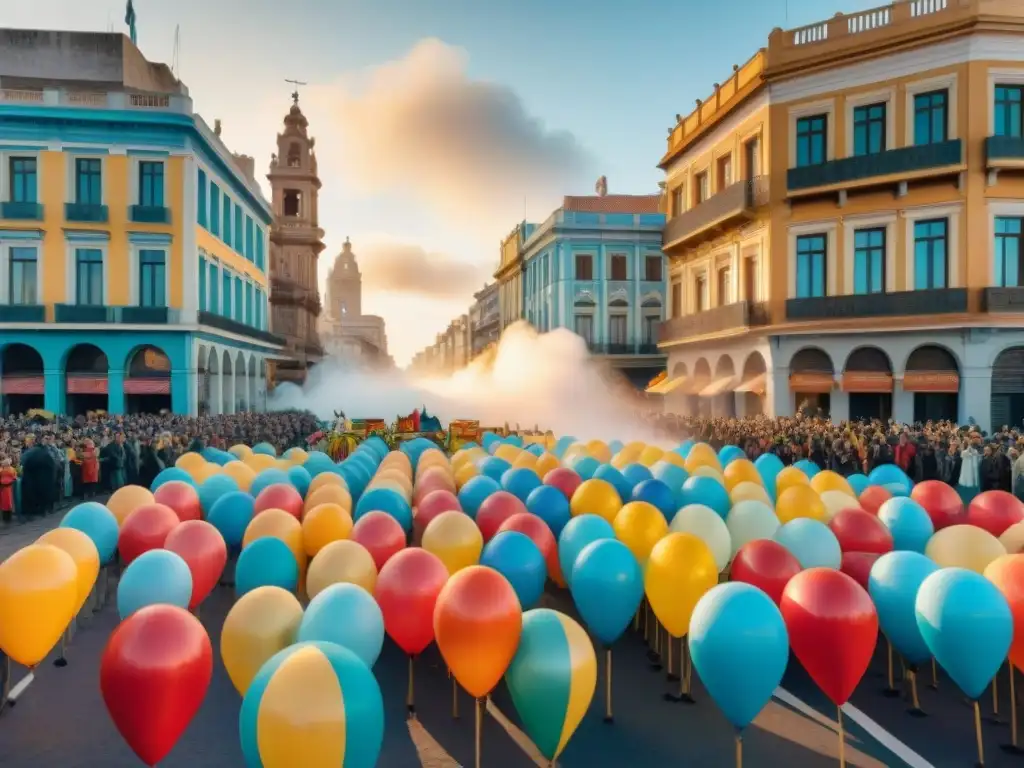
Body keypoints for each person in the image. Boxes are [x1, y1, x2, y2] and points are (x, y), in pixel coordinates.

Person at [0, 457, 16, 525]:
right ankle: (8, 516)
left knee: (4, 502)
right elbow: (14, 477)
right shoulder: (12, 469)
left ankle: (5, 517)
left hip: (3, 488)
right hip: (8, 487)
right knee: (8, 502)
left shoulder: (2, 470)